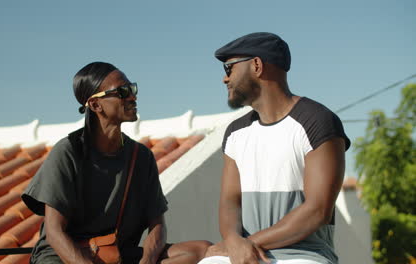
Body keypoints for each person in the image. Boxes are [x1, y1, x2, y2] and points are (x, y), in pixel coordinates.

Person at [22, 62, 210, 264]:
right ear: (95, 105)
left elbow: (157, 225)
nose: (133, 96)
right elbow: (54, 232)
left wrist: (147, 260)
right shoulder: (68, 152)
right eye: (123, 91)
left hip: (117, 254)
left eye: (133, 89)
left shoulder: (142, 156)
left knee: (201, 251)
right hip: (63, 257)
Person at [198, 33, 350, 264]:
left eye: (229, 69)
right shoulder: (235, 132)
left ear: (257, 65)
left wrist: (248, 243)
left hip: (305, 255)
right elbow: (230, 201)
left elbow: (317, 211)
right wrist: (233, 240)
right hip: (243, 252)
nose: (224, 79)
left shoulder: (318, 121)